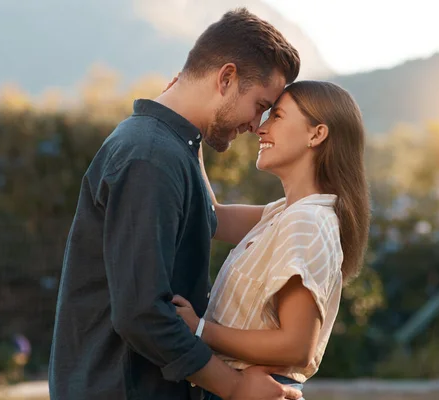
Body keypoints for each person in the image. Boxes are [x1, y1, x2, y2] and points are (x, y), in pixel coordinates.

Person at [48, 8, 304, 400]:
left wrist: (318, 208)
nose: (257, 125)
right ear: (227, 78)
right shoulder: (150, 157)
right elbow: (142, 314)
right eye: (259, 105)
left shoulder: (171, 148)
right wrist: (235, 388)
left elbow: (215, 218)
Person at [172, 80, 371, 400]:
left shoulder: (306, 222)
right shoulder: (286, 213)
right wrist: (189, 126)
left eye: (277, 116)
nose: (261, 129)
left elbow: (297, 346)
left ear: (316, 134)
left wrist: (200, 329)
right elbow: (212, 216)